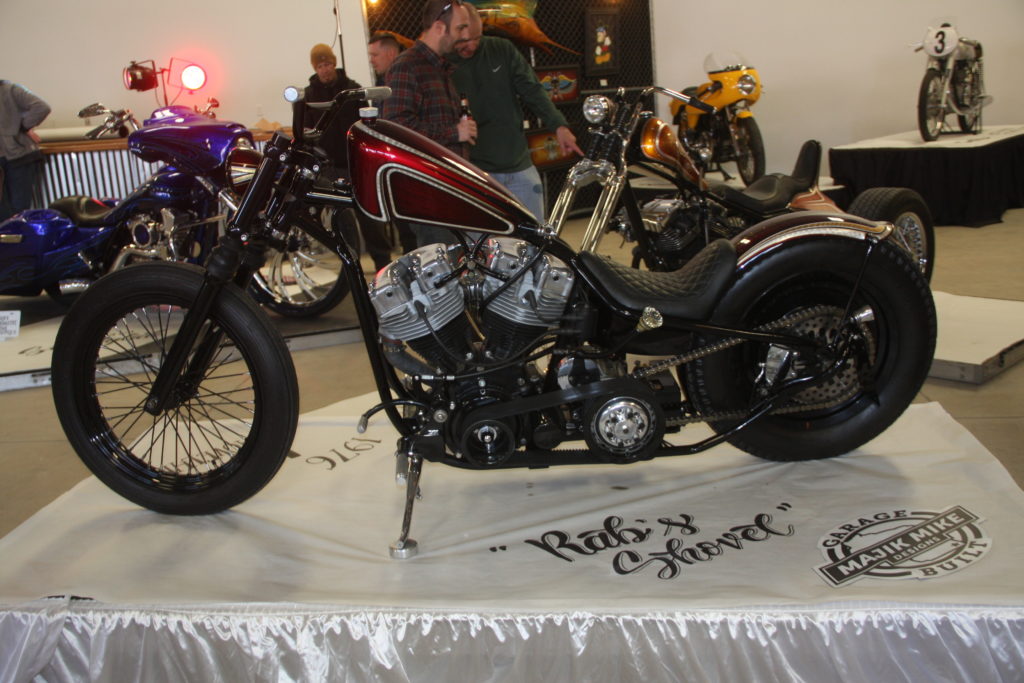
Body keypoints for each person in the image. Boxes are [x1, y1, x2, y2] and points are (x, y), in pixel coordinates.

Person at [451, 4, 582, 221]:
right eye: (465, 41)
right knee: (481, 245)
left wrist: (559, 125)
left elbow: (533, 90)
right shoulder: (441, 64)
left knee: (535, 236)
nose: (472, 46)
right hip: (474, 169)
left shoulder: (502, 49)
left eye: (477, 38)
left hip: (518, 164)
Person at [381, 0, 477, 246]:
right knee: (439, 273)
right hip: (430, 194)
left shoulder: (439, 68)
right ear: (439, 27)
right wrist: (454, 132)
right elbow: (395, 128)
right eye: (459, 29)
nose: (463, 36)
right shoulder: (407, 66)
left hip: (451, 189)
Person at [304, 44, 392, 271]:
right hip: (329, 167)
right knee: (341, 222)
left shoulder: (353, 91)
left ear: (334, 64)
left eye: (328, 64)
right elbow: (306, 130)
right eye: (320, 65)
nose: (325, 69)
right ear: (315, 67)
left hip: (355, 165)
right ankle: (349, 266)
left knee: (369, 217)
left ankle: (383, 264)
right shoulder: (309, 96)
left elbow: (368, 127)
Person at [0, 80, 51, 222]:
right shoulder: (10, 89)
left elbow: (41, 107)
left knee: (18, 211)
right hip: (14, 156)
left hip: (18, 156)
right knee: (8, 212)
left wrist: (22, 127)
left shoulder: (10, 89)